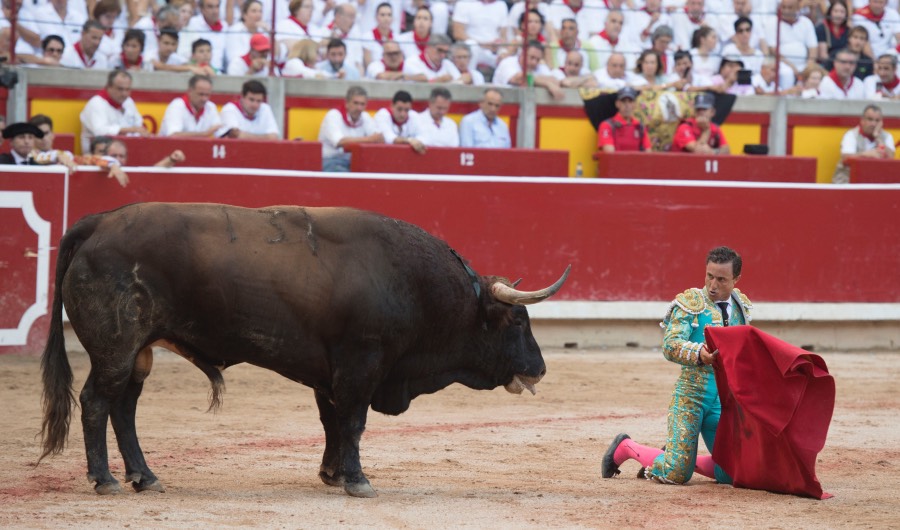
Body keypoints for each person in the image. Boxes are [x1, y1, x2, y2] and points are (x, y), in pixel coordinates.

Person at [602, 246, 751, 486]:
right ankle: (627, 447)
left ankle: (676, 456)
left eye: (721, 279)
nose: (713, 285)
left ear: (736, 279)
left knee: (733, 474)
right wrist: (698, 353)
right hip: (690, 398)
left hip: (723, 401)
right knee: (677, 473)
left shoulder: (742, 307)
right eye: (709, 276)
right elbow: (670, 345)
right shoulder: (690, 303)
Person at [79, 70, 150, 154]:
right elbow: (100, 132)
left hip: (126, 153)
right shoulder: (96, 103)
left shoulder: (128, 101)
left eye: (127, 89)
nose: (124, 94)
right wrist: (130, 130)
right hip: (98, 159)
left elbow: (138, 125)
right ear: (109, 86)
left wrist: (138, 131)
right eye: (120, 89)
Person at [318, 86, 383, 172]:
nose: (359, 108)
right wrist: (370, 139)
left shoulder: (365, 116)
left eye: (362, 104)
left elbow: (380, 138)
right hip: (330, 160)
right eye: (355, 103)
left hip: (354, 160)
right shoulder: (333, 115)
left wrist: (376, 139)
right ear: (347, 103)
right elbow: (340, 142)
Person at [832, 104, 895, 183]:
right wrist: (865, 155)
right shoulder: (851, 135)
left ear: (881, 122)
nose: (873, 124)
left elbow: (891, 159)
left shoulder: (887, 136)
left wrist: (878, 137)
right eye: (870, 119)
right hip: (848, 180)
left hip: (876, 182)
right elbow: (845, 158)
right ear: (862, 121)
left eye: (877, 120)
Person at [494, 40, 564, 100]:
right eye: (532, 57)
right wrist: (547, 84)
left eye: (537, 59)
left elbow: (554, 81)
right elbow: (520, 79)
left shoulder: (540, 67)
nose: (534, 62)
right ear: (522, 54)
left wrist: (544, 82)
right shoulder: (507, 62)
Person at [597, 87, 651, 153]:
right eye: (623, 101)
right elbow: (609, 154)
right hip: (616, 163)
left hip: (636, 163)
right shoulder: (607, 125)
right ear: (617, 104)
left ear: (634, 104)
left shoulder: (640, 126)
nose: (627, 105)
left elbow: (648, 153)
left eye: (630, 101)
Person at [180, 0, 229, 71]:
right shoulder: (192, 23)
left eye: (217, 6)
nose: (215, 11)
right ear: (201, 9)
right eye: (210, 7)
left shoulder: (225, 26)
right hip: (197, 70)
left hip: (220, 72)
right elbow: (184, 52)